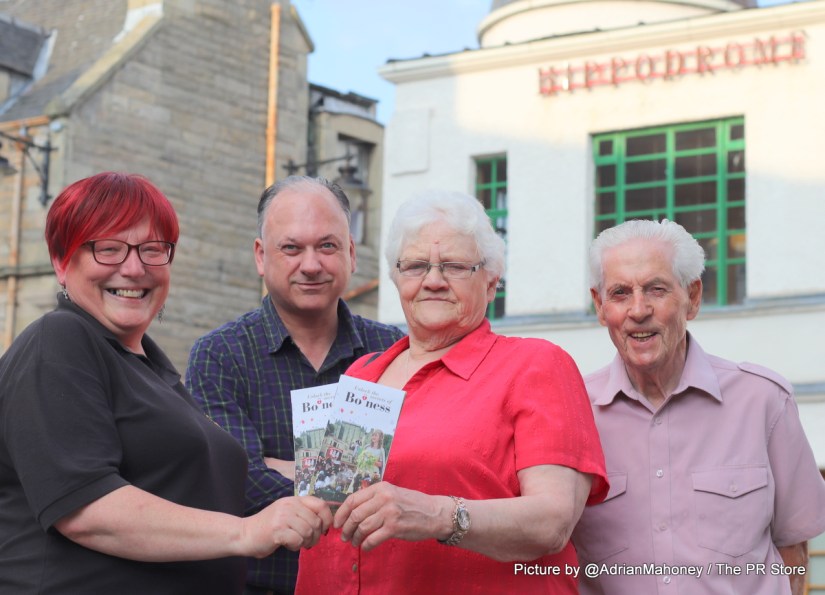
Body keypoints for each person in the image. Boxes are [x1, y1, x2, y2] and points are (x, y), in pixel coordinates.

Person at [0, 172, 332, 594]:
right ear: (62, 261)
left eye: (152, 249)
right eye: (108, 248)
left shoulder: (150, 370)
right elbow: (85, 509)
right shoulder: (60, 339)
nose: (134, 267)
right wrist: (246, 533)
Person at [295, 190, 609, 594]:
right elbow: (337, 506)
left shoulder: (536, 365)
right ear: (397, 278)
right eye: (415, 266)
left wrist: (438, 514)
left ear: (492, 281)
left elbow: (552, 523)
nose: (433, 280)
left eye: (456, 266)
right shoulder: (363, 373)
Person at [572, 219, 825, 595]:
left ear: (693, 297)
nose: (638, 310)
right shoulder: (572, 412)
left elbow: (793, 546)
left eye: (656, 290)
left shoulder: (763, 400)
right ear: (599, 305)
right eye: (620, 293)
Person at [185, 175, 404, 594]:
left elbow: (420, 477)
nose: (311, 264)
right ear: (260, 256)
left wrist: (281, 466)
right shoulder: (219, 355)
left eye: (327, 245)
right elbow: (237, 485)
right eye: (291, 248)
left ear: (352, 254)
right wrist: (361, 479)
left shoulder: (392, 351)